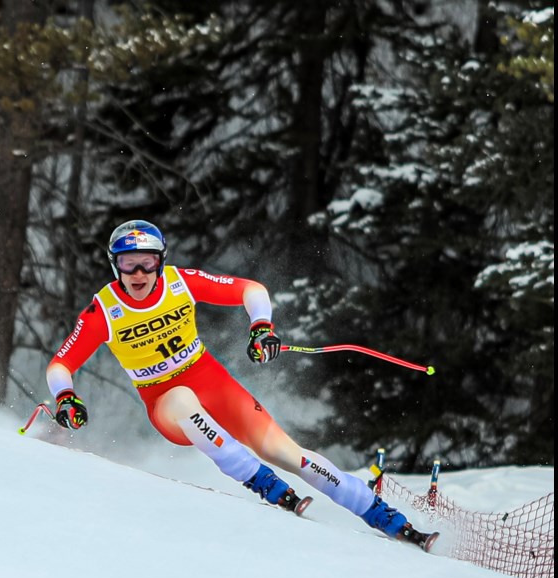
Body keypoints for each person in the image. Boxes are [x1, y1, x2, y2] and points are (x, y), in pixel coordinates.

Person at [46, 219, 435, 548]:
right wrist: (65, 397)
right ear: (116, 267)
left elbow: (253, 290)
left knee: (288, 453)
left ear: (160, 262)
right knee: (181, 397)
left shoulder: (180, 282)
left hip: (213, 382)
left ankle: (383, 516)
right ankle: (259, 479)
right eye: (128, 265)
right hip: (164, 400)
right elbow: (61, 364)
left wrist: (261, 327)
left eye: (147, 264)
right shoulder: (105, 308)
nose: (139, 276)